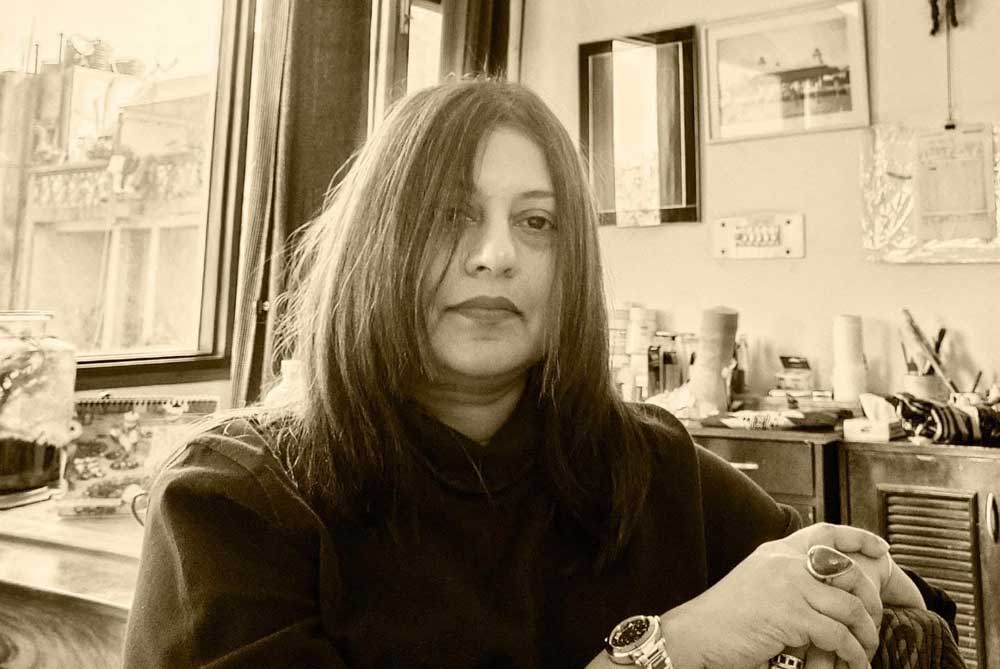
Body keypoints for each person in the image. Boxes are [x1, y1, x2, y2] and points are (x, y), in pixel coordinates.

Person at [122, 80, 943, 669]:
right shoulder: (230, 501)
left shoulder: (650, 464)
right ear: (376, 245)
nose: (495, 254)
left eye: (537, 221)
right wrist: (669, 649)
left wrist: (856, 585)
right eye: (450, 215)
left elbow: (911, 614)